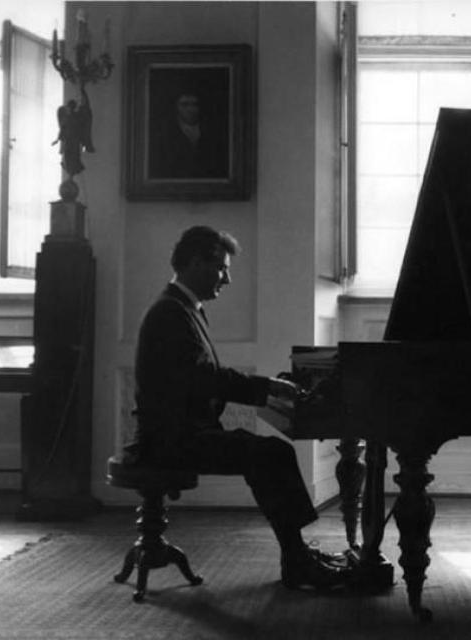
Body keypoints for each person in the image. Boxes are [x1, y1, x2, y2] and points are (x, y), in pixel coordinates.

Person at [123, 225, 348, 590]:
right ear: (197, 262)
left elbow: (203, 377)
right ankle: (297, 559)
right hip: (168, 441)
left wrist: (266, 388)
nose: (226, 279)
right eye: (222, 268)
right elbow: (205, 379)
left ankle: (298, 555)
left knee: (268, 453)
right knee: (270, 454)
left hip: (180, 433)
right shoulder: (171, 313)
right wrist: (268, 388)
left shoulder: (181, 307)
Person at [149, 92, 228, 179]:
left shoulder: (212, 132)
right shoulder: (164, 134)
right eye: (184, 104)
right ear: (175, 107)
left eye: (195, 104)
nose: (191, 109)